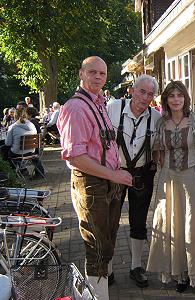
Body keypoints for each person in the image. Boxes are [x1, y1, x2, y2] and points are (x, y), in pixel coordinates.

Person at [57, 56, 132, 300]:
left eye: (102, 73)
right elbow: (75, 157)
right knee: (98, 249)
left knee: (107, 243)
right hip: (91, 184)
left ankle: (98, 293)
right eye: (93, 72)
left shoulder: (99, 103)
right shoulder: (75, 108)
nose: (98, 77)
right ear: (81, 73)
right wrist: (114, 175)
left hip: (107, 183)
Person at [147, 80, 195, 299]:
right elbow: (157, 152)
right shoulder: (161, 123)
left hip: (192, 178)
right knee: (172, 226)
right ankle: (181, 275)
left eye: (179, 95)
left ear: (185, 98)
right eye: (171, 96)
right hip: (168, 180)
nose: (176, 99)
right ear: (166, 100)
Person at [107, 74, 161, 287]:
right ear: (132, 90)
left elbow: (160, 147)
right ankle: (108, 268)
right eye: (142, 91)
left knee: (139, 221)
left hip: (142, 173)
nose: (145, 97)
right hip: (114, 172)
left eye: (150, 94)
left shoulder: (156, 118)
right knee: (110, 220)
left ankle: (136, 266)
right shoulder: (113, 108)